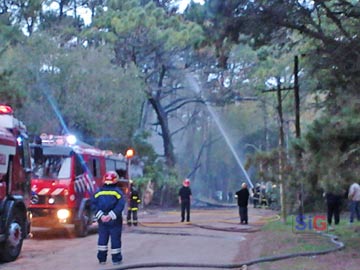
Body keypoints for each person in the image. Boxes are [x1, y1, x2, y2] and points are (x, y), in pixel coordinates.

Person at [91, 171, 125, 265]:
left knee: (102, 239)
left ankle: (102, 259)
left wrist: (101, 216)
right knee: (115, 239)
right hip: (115, 220)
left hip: (102, 221)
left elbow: (93, 205)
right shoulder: (118, 192)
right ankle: (116, 259)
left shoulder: (98, 192)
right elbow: (120, 205)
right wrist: (111, 215)